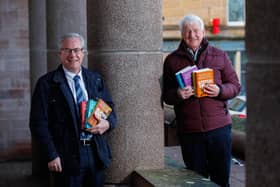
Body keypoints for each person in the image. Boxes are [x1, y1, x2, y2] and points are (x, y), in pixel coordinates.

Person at [162, 14, 241, 187]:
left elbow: (235, 85)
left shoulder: (219, 55)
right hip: (190, 131)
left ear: (203, 32)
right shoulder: (172, 60)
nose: (192, 35)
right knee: (195, 181)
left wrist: (219, 90)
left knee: (221, 180)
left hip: (219, 129)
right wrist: (178, 94)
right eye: (187, 31)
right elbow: (166, 95)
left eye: (196, 30)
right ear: (182, 34)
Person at [29, 32, 117, 187]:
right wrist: (51, 155)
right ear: (59, 54)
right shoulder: (46, 84)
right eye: (67, 50)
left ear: (83, 53)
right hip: (65, 157)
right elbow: (38, 124)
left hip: (95, 153)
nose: (73, 55)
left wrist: (107, 124)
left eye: (77, 50)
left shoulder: (95, 79)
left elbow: (110, 109)